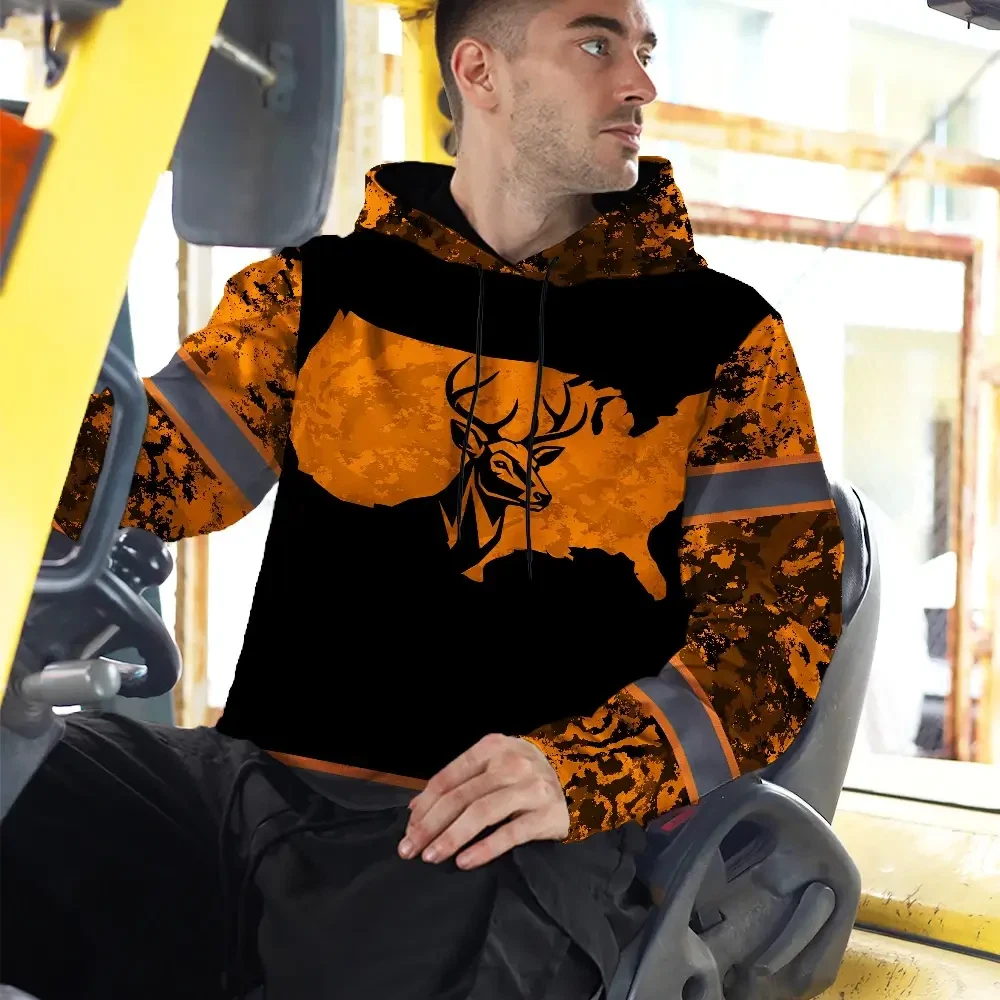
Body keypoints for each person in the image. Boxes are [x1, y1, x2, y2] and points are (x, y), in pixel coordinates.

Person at [0, 1, 844, 998]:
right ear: (479, 73)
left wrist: (578, 771)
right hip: (250, 795)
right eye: (596, 44)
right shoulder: (315, 296)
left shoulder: (719, 340)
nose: (640, 84)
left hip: (486, 836)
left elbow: (771, 644)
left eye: (643, 50)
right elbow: (155, 469)